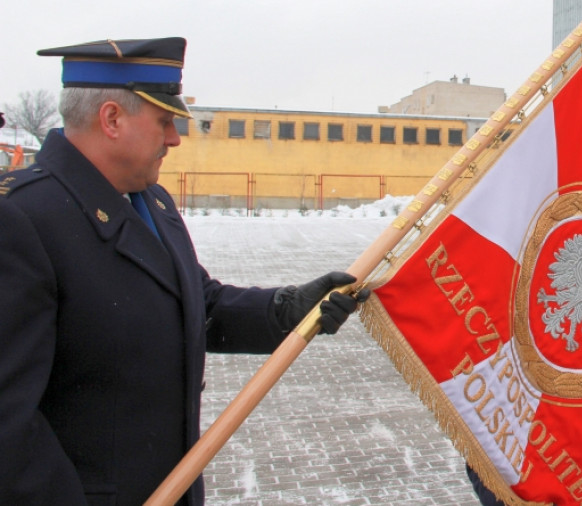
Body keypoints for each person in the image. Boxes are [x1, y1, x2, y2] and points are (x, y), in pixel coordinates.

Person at [0, 38, 369, 505]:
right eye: (164, 121)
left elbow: (196, 304)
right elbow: (8, 424)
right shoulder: (21, 217)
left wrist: (288, 309)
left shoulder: (150, 200)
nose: (174, 138)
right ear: (111, 119)